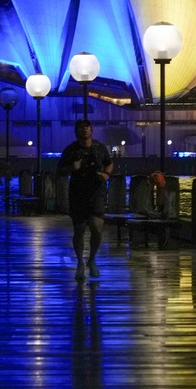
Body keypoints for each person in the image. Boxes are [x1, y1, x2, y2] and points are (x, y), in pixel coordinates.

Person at [57, 119, 113, 281]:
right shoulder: (71, 150)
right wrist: (72, 168)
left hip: (96, 192)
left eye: (87, 128)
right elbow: (59, 170)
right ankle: (80, 263)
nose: (85, 131)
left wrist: (106, 175)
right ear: (76, 131)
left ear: (91, 130)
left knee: (97, 227)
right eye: (81, 129)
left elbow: (109, 163)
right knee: (79, 230)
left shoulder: (100, 148)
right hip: (77, 193)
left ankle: (92, 259)